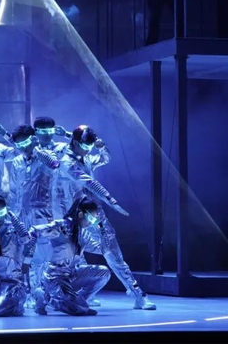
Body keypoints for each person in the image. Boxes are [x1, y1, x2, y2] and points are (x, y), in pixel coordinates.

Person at [60, 125, 156, 310]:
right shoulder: (66, 162)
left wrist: (101, 146)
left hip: (94, 213)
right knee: (75, 256)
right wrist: (111, 200)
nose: (87, 151)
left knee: (113, 252)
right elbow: (89, 182)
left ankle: (138, 294)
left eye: (89, 147)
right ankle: (80, 294)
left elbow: (105, 158)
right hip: (76, 217)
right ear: (75, 143)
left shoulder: (86, 157)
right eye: (84, 146)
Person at [26, 196, 112, 316]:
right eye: (91, 219)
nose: (92, 223)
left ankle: (75, 301)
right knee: (80, 309)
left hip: (71, 274)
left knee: (104, 272)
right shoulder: (61, 227)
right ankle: (43, 295)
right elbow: (34, 231)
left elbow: (104, 250)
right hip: (54, 278)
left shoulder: (83, 234)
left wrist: (102, 230)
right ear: (81, 214)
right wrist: (27, 258)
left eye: (94, 220)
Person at [7, 125, 60, 307]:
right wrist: (13, 216)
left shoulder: (46, 156)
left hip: (43, 211)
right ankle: (31, 293)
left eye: (26, 142)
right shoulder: (16, 161)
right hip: (22, 213)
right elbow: (13, 190)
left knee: (44, 255)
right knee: (25, 255)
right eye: (19, 144)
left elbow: (55, 165)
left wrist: (37, 150)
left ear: (34, 138)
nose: (23, 146)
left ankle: (46, 293)